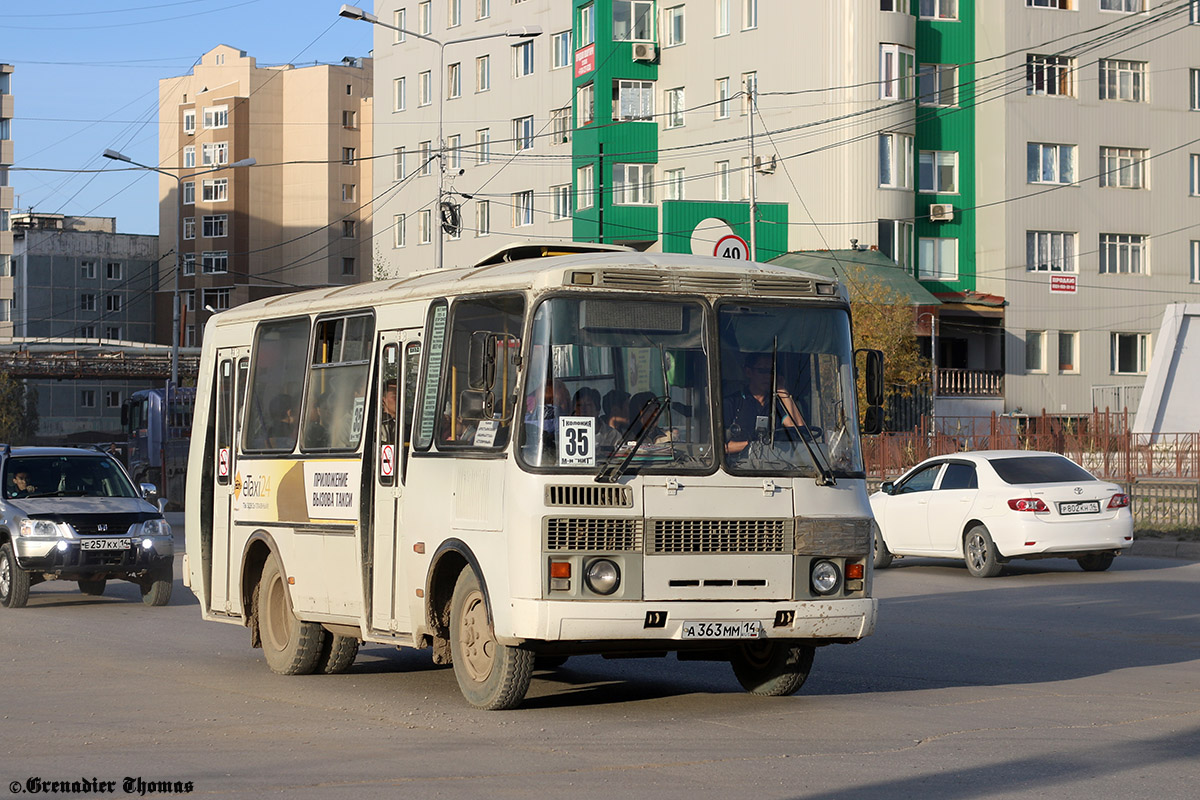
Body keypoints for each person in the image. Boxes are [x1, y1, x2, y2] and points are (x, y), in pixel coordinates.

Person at [724, 353, 806, 455]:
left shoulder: (777, 404)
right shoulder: (732, 403)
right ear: (749, 372)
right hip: (736, 467)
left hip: (776, 466)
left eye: (771, 372)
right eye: (762, 371)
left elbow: (798, 429)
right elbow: (720, 447)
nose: (767, 376)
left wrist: (782, 390)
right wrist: (752, 445)